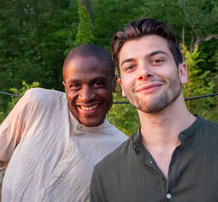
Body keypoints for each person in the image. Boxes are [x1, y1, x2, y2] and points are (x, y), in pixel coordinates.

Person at [0, 44, 127, 201]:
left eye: (97, 83)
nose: (86, 97)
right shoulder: (37, 104)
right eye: (75, 86)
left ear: (113, 84)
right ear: (65, 87)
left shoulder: (121, 150)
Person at [90, 18, 218, 201]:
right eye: (130, 67)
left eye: (157, 60)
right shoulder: (105, 176)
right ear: (122, 87)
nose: (143, 72)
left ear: (182, 72)